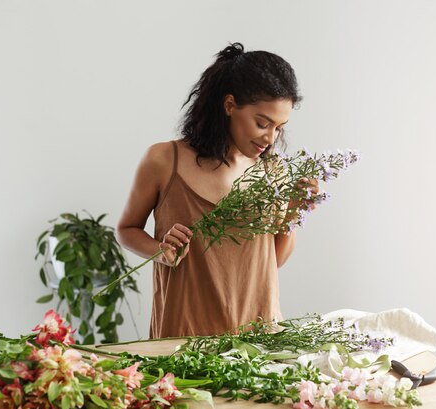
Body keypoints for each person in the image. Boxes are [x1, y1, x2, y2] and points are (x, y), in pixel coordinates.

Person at [116, 42, 319, 338]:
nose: (271, 138)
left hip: (257, 341)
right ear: (229, 105)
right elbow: (127, 229)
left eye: (279, 127)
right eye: (262, 123)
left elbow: (272, 262)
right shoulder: (163, 160)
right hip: (183, 340)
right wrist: (159, 251)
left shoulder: (272, 170)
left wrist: (295, 212)